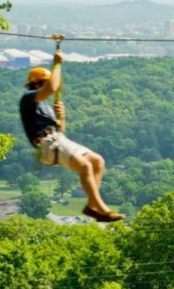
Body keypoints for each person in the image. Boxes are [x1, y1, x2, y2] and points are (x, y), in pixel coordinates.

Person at [19, 50, 124, 222]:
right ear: (37, 84)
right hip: (46, 145)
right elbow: (52, 87)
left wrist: (61, 117)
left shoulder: (43, 106)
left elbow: (60, 131)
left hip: (56, 140)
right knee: (85, 167)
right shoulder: (28, 99)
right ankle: (102, 209)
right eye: (44, 83)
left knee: (97, 161)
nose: (48, 87)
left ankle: (91, 206)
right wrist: (57, 64)